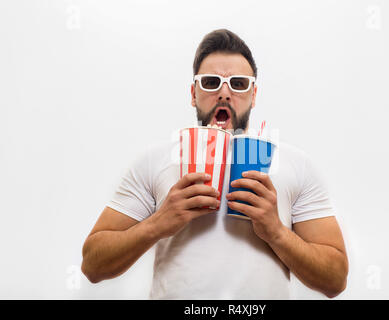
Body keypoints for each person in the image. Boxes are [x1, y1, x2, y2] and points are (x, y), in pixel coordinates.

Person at [81, 29, 348, 299]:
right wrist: (158, 223)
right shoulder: (154, 160)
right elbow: (93, 264)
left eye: (238, 83)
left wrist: (276, 231)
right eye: (210, 82)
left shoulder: (295, 164)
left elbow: (335, 280)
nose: (224, 93)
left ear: (253, 95)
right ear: (193, 94)